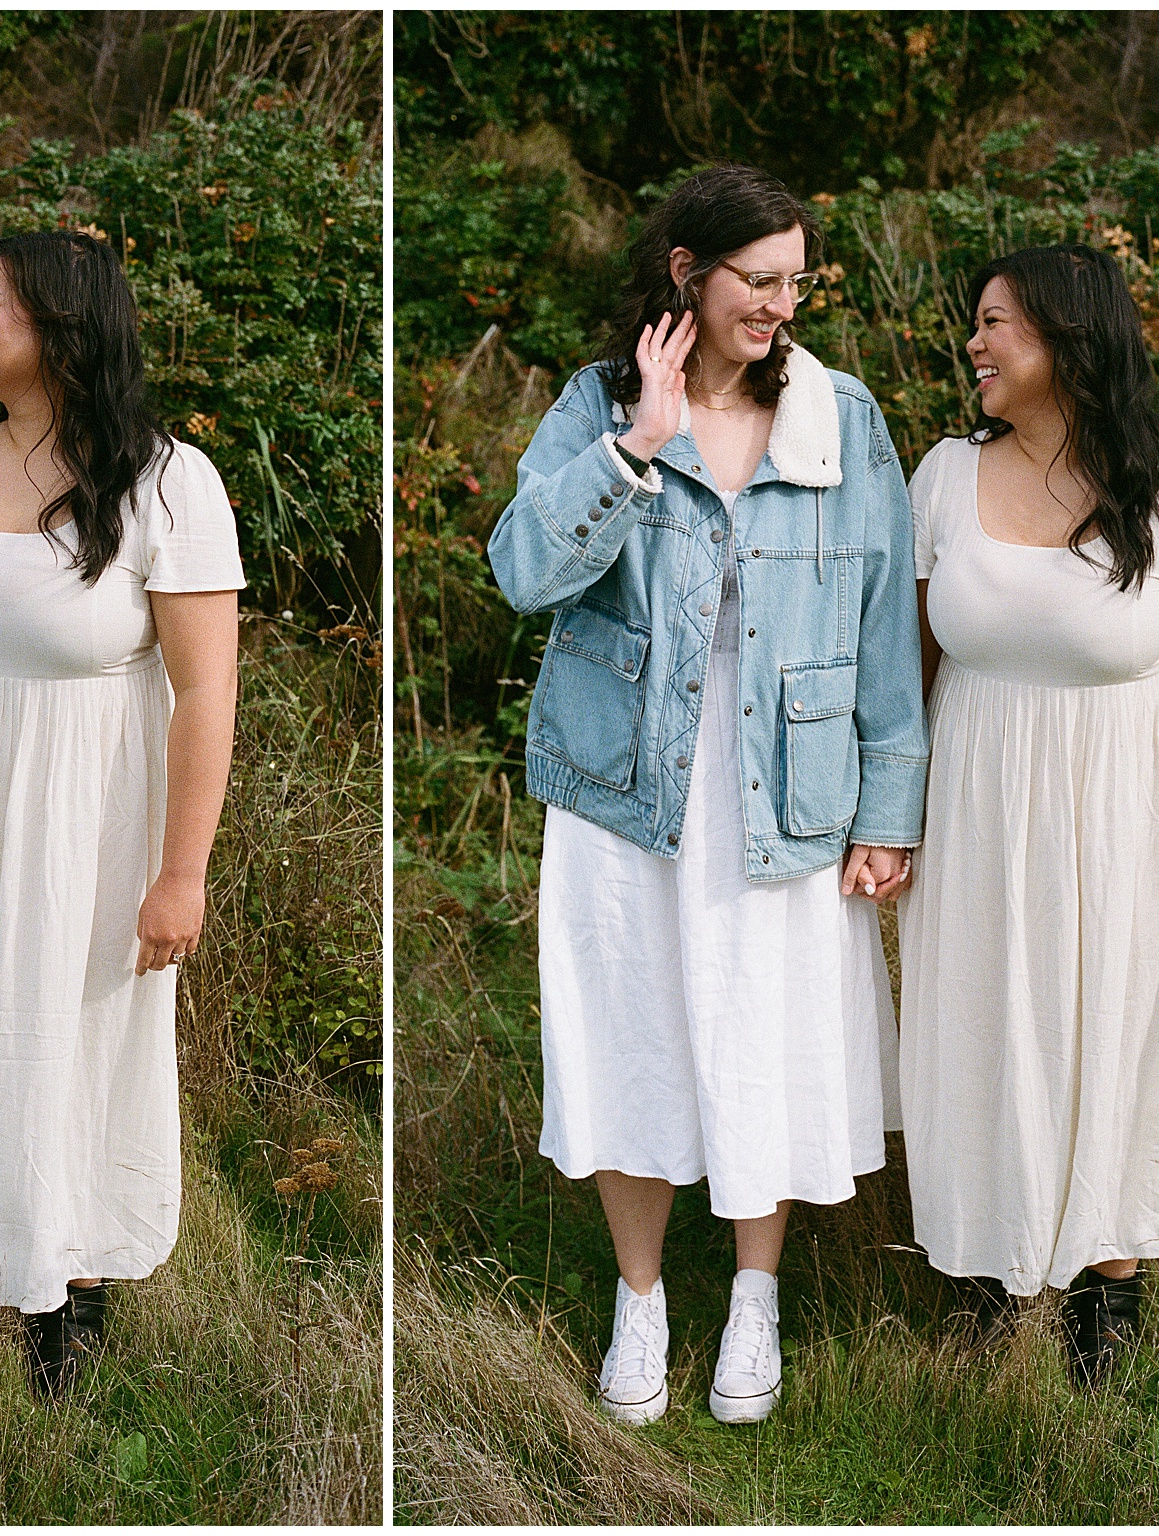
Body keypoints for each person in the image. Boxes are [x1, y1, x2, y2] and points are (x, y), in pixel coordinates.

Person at [486, 164, 928, 1427]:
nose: (783, 304)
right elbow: (521, 571)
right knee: (627, 1035)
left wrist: (889, 805)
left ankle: (753, 1296)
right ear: (688, 272)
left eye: (797, 281)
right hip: (624, 788)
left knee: (765, 1041)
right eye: (760, 280)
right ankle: (641, 1301)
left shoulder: (841, 416)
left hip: (786, 790)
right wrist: (638, 448)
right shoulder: (599, 405)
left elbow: (884, 619)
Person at [0, 230, 243, 1399]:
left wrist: (183, 873)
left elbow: (206, 688)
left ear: (61, 325)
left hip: (91, 813)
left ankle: (61, 1312)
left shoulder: (171, 482)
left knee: (67, 1041)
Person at [898, 242, 1159, 1386]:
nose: (976, 343)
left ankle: (1107, 1287)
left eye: (999, 323)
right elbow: (901, 678)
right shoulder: (943, 479)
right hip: (973, 806)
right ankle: (984, 1267)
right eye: (977, 322)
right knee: (978, 1016)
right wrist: (885, 823)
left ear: (1070, 336)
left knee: (1114, 1021)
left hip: (1124, 811)